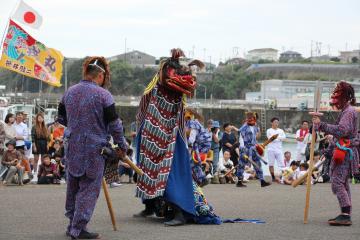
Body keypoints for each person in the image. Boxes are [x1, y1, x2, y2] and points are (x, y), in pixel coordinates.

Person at [134, 49, 221, 226]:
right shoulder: (158, 86)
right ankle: (151, 205)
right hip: (153, 133)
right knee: (148, 170)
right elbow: (145, 106)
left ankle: (180, 212)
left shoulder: (173, 91)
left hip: (170, 137)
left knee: (171, 173)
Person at [58, 56, 127, 239]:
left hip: (72, 147)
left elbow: (62, 119)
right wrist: (122, 145)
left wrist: (77, 126)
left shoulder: (69, 92)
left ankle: (72, 224)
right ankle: (78, 229)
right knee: (88, 189)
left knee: (73, 188)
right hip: (94, 149)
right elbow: (115, 124)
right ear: (100, 76)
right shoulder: (104, 95)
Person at [313, 81, 359, 226]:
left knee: (338, 182)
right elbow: (341, 135)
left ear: (344, 98)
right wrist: (328, 151)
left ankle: (345, 214)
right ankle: (346, 212)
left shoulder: (349, 112)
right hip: (343, 149)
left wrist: (321, 125)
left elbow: (342, 131)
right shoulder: (347, 111)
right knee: (342, 182)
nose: (336, 103)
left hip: (345, 152)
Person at [236, 112, 270, 187]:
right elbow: (241, 138)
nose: (251, 120)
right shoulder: (244, 127)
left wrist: (258, 146)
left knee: (258, 164)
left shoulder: (255, 127)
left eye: (253, 118)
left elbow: (255, 138)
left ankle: (262, 180)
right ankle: (239, 181)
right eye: (249, 118)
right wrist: (242, 149)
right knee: (241, 165)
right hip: (245, 148)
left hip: (253, 148)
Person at [266, 117, 286, 182]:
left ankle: (282, 177)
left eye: (277, 122)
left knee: (282, 164)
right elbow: (270, 138)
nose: (276, 123)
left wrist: (276, 137)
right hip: (271, 149)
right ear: (271, 123)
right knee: (271, 164)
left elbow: (284, 138)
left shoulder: (281, 130)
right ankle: (273, 177)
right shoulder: (269, 130)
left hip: (279, 149)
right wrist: (277, 138)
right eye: (275, 122)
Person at [31, 112, 49, 178]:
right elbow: (32, 137)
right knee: (36, 159)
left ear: (43, 119)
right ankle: (35, 172)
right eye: (39, 118)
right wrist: (34, 145)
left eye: (41, 118)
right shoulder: (34, 127)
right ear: (37, 119)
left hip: (44, 143)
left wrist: (47, 145)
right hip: (36, 143)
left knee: (43, 159)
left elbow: (47, 137)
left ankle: (41, 172)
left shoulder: (45, 126)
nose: (40, 119)